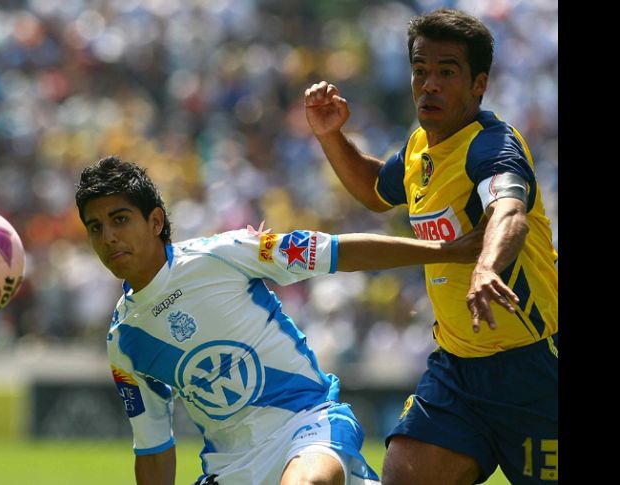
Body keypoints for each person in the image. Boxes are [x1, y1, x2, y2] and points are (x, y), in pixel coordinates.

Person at [75, 155, 481, 485]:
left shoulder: (224, 254)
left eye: (120, 219)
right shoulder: (124, 340)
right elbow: (152, 445)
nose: (108, 236)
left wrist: (447, 249)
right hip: (230, 468)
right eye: (96, 227)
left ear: (156, 222)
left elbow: (339, 254)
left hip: (307, 426)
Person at [304, 8, 557, 485]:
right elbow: (376, 189)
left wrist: (487, 267)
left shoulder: (491, 146)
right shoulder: (422, 147)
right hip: (457, 372)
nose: (429, 84)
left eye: (446, 72)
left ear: (478, 84)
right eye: (421, 70)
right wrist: (331, 136)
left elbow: (510, 212)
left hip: (536, 369)